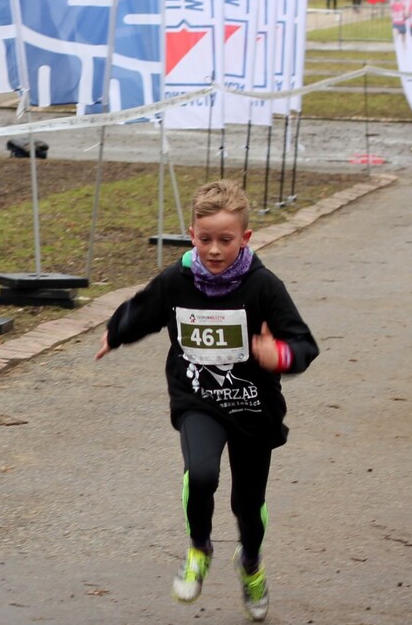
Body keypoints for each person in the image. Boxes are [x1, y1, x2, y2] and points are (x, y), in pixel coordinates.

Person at [95, 179, 319, 622]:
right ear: (191, 235)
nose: (214, 250)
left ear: (246, 238)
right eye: (205, 239)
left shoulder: (263, 287)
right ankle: (199, 548)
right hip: (198, 400)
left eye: (225, 240)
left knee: (247, 505)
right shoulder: (176, 281)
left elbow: (303, 344)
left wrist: (280, 355)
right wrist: (117, 331)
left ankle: (251, 565)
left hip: (253, 407)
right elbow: (144, 310)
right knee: (200, 473)